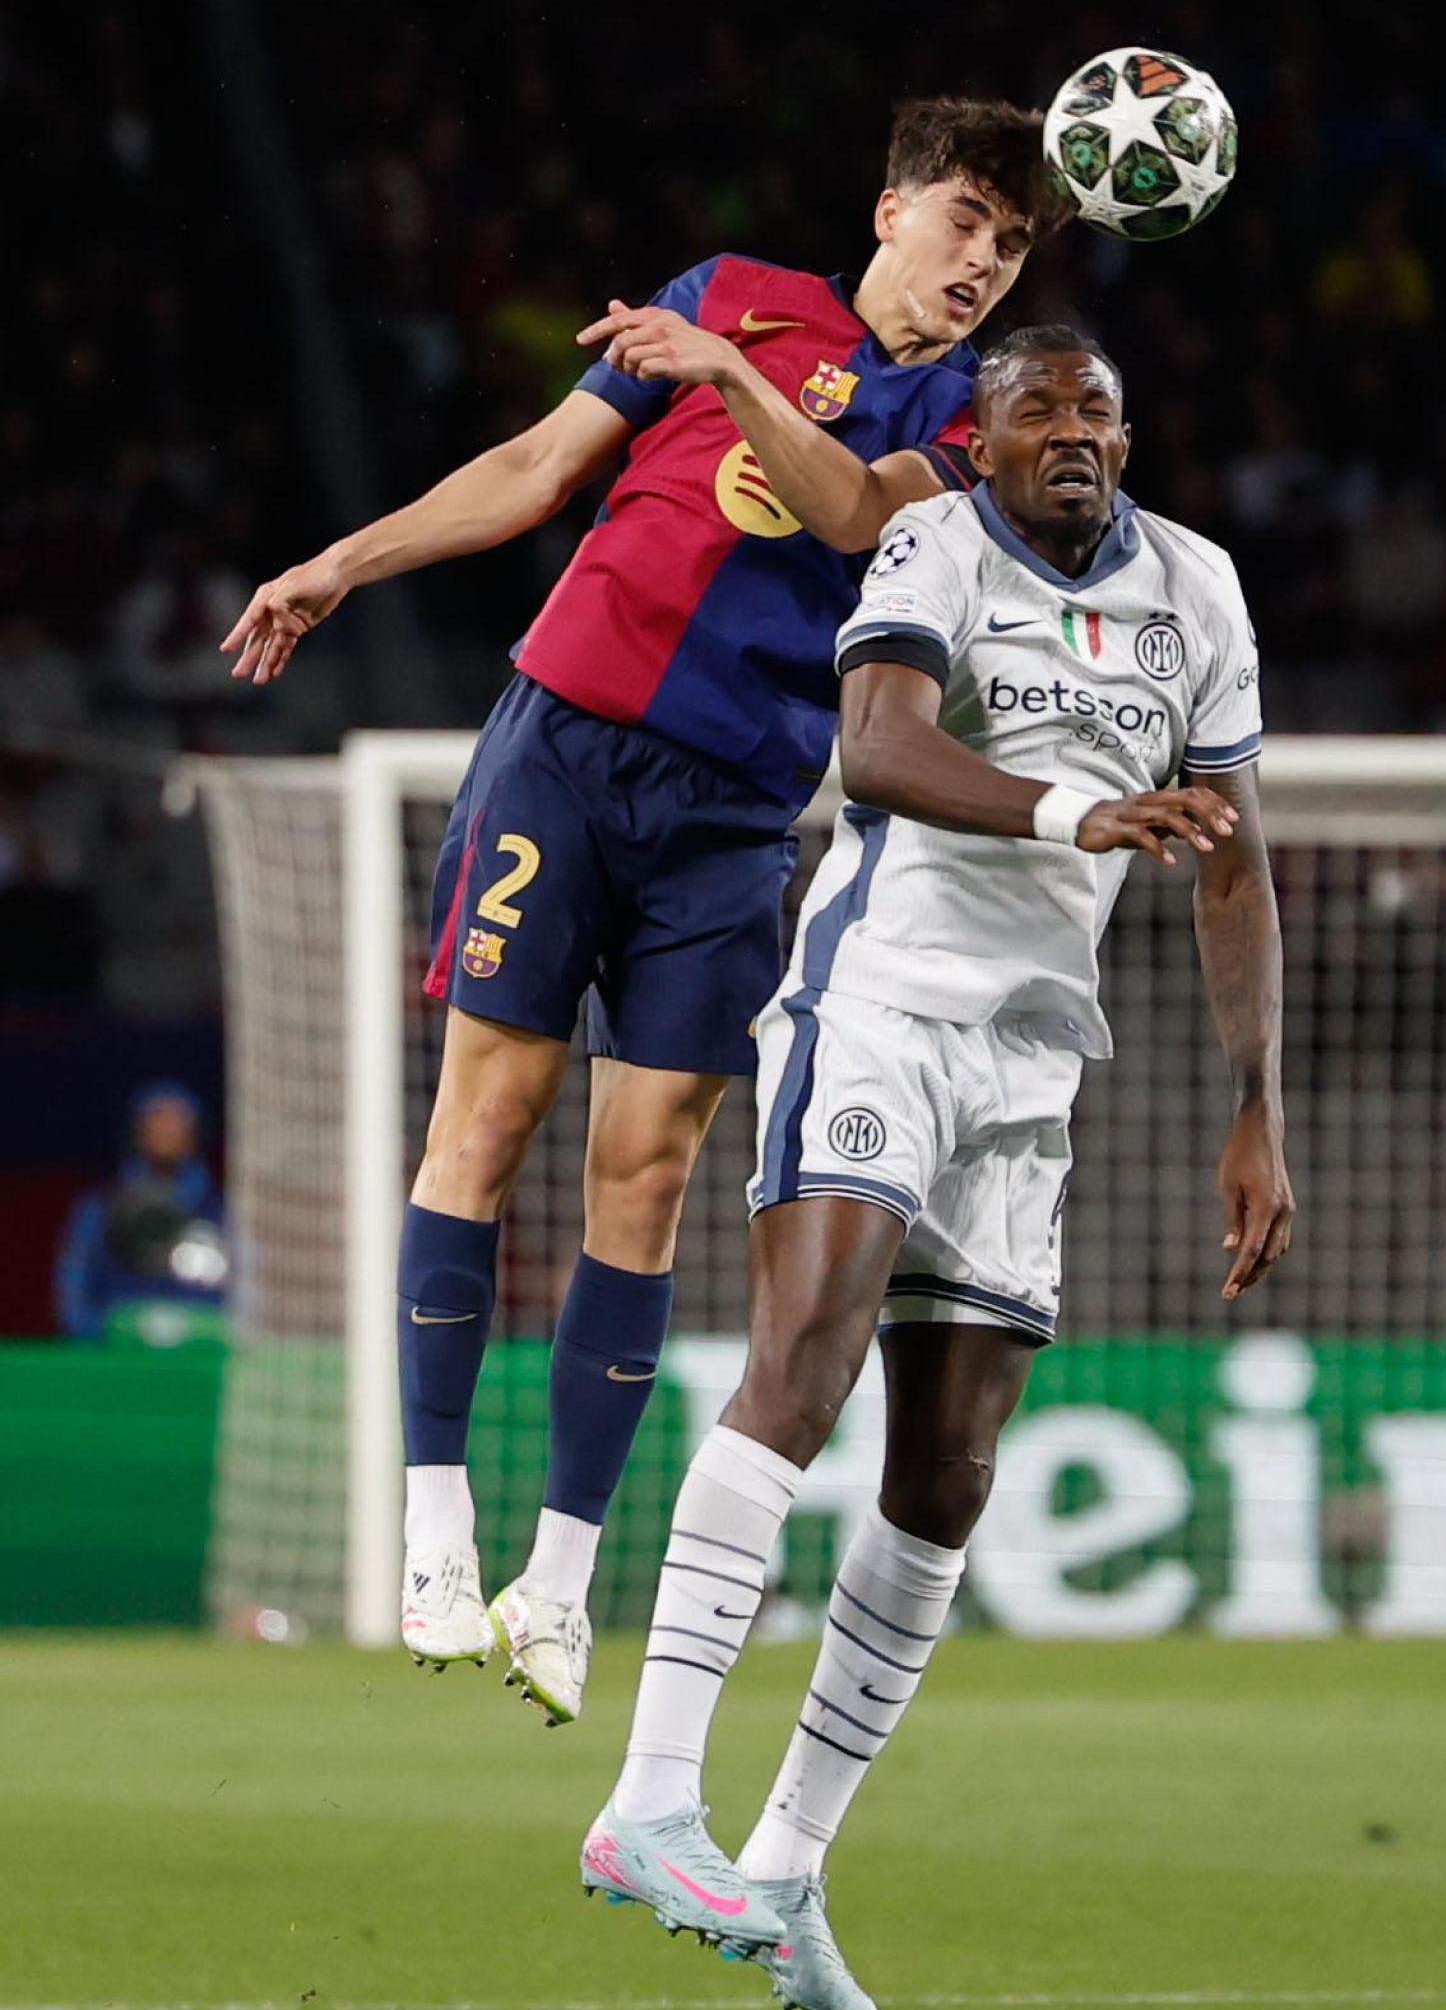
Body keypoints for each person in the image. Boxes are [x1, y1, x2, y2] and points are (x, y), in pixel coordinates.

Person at [220, 102, 1070, 1723]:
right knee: (488, 1113)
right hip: (562, 743)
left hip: (738, 815)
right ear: (890, 207)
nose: (981, 264)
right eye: (964, 220)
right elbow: (538, 468)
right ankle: (433, 1535)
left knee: (651, 1170)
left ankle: (557, 1582)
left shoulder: (974, 412)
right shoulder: (736, 286)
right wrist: (342, 561)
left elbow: (855, 515)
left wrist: (732, 377)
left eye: (1011, 245)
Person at [579, 327, 1296, 2010]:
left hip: (1035, 1060)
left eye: (1098, 410)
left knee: (954, 1469)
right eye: (1036, 408)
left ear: (1129, 437)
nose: (1070, 432)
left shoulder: (1196, 588)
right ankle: (650, 1797)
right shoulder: (932, 542)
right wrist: (1072, 816)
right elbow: (882, 751)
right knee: (806, 1357)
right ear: (979, 443)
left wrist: (1259, 1104)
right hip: (881, 1002)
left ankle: (784, 1867)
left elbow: (1236, 861)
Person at [55, 1083, 226, 1340]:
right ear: (138, 1131)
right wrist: (92, 1341)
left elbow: (245, 1290)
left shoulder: (221, 1213)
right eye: (158, 1121)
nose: (167, 1131)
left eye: (177, 1122)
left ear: (195, 1133)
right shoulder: (100, 1206)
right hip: (116, 1356)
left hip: (200, 1354)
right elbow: (74, 1286)